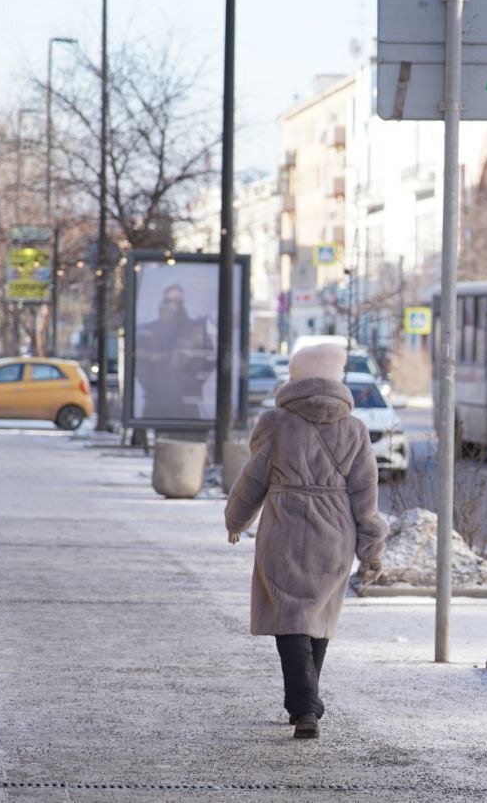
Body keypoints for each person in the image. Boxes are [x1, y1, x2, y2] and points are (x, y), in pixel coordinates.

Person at [224, 343, 387, 740]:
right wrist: (371, 549)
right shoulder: (355, 429)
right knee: (317, 615)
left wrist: (236, 520)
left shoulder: (275, 422)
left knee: (289, 614)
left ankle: (304, 705)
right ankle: (306, 700)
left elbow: (254, 478)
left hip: (285, 528)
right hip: (336, 532)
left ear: (296, 377)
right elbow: (366, 494)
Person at [134, 283, 215, 419]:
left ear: (182, 303)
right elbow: (140, 363)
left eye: (177, 301)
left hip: (186, 404)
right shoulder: (150, 330)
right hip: (156, 403)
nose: (172, 305)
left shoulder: (194, 329)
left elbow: (207, 360)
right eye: (168, 301)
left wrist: (190, 385)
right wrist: (153, 386)